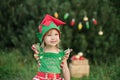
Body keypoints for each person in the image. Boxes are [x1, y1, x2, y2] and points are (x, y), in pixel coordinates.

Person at [31, 14, 72, 80]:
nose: (53, 38)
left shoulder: (61, 54)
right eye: (49, 35)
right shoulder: (40, 52)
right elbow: (40, 65)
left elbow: (65, 70)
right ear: (43, 38)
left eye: (56, 34)